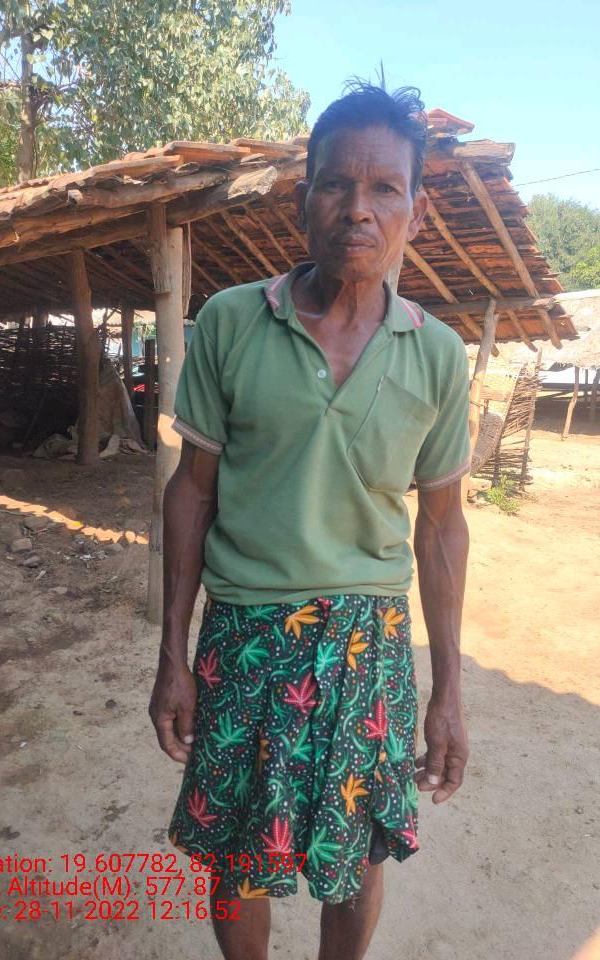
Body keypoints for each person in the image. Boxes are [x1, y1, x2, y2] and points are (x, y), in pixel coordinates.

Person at [149, 81, 470, 960]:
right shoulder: (231, 323)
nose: (357, 209)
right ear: (303, 202)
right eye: (335, 183)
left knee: (355, 860)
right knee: (237, 856)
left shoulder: (438, 355)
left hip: (369, 644)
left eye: (384, 188)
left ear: (417, 212)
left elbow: (442, 525)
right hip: (245, 635)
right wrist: (171, 651)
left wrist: (448, 689)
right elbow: (192, 490)